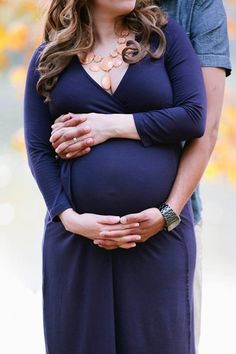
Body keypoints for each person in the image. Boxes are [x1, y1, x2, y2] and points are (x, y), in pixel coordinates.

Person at [24, 1, 207, 353]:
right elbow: (38, 149)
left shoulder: (164, 38)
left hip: (158, 236)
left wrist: (110, 126)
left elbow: (193, 116)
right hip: (77, 239)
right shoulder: (50, 56)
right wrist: (71, 219)